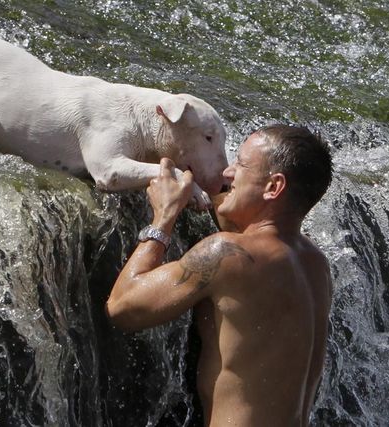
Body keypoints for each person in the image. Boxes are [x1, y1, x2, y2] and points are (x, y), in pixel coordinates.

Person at [105, 124, 334, 426]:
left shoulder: (226, 253)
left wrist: (164, 216)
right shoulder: (315, 264)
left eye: (241, 164)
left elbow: (122, 307)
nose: (227, 172)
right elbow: (241, 228)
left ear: (273, 187)